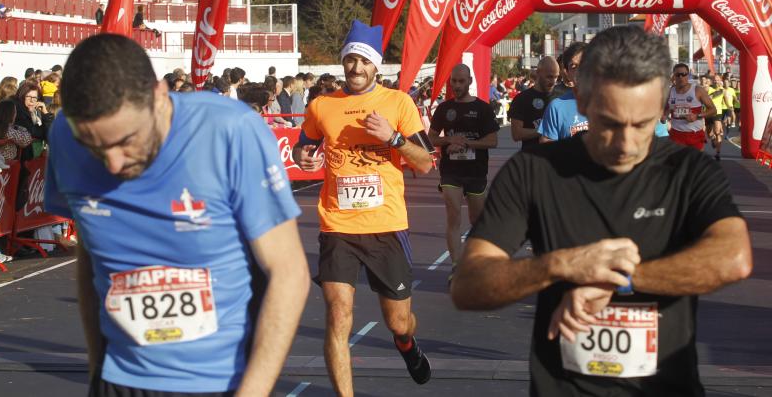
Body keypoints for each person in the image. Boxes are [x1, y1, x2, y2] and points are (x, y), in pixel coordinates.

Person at [451, 26, 753, 396]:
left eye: (642, 125)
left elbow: (733, 257)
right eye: (609, 123)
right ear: (582, 102)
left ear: (662, 107)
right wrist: (561, 266)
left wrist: (617, 279)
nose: (626, 143)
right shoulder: (534, 172)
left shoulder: (688, 170)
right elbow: (468, 286)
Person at [43, 33, 310, 396]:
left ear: (158, 95)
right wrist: (97, 369)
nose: (113, 163)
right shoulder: (64, 136)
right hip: (119, 380)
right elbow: (90, 254)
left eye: (125, 141)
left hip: (220, 383)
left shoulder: (229, 130)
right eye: (94, 147)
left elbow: (289, 272)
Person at [293, 20, 434, 394]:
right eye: (350, 60)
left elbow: (424, 162)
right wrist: (303, 157)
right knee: (338, 315)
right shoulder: (323, 105)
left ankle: (406, 344)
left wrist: (394, 138)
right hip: (338, 225)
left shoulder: (398, 103)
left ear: (376, 66)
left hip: (385, 225)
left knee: (398, 322)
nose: (355, 68)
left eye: (364, 62)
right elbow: (303, 145)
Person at [428, 64, 499, 280]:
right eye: (454, 81)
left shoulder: (483, 109)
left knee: (476, 218)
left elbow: (492, 141)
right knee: (453, 215)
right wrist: (449, 140)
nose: (457, 85)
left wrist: (468, 143)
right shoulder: (444, 109)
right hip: (451, 171)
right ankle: (456, 266)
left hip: (476, 171)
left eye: (461, 81)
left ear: (470, 81)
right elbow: (430, 139)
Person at [538, 43, 587, 142]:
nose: (579, 71)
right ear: (567, 73)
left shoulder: (612, 102)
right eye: (573, 66)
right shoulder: (556, 107)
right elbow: (546, 142)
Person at [507, 56, 559, 150]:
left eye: (556, 77)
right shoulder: (522, 99)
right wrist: (543, 131)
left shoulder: (561, 97)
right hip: (533, 158)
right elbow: (516, 134)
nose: (553, 81)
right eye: (549, 77)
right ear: (538, 73)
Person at [666, 63, 716, 151]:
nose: (681, 77)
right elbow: (666, 109)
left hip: (694, 135)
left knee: (695, 164)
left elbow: (713, 110)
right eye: (678, 75)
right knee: (677, 164)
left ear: (688, 75)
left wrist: (697, 116)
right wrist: (664, 115)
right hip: (676, 135)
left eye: (684, 74)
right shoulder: (671, 91)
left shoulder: (698, 90)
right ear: (674, 76)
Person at [708, 74, 726, 160]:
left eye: (718, 80)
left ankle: (718, 153)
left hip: (718, 113)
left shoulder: (723, 90)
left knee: (717, 132)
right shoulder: (708, 88)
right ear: (712, 81)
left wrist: (729, 113)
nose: (716, 81)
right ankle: (712, 139)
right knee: (709, 134)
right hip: (708, 113)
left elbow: (727, 103)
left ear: (720, 81)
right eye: (714, 80)